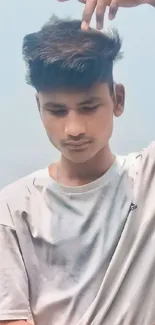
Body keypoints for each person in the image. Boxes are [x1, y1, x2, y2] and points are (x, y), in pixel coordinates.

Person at [0, 2, 155, 325]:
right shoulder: (14, 209)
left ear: (118, 100)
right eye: (57, 111)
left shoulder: (147, 179)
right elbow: (12, 318)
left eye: (88, 107)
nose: (74, 129)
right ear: (38, 107)